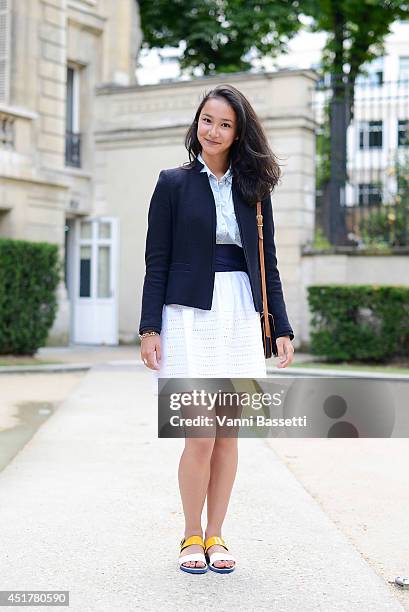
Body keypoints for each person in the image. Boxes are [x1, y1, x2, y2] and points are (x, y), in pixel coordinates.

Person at [139, 83, 295, 574]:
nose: (214, 131)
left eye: (225, 124)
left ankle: (217, 535)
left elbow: (266, 261)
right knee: (199, 435)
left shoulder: (253, 189)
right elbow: (156, 259)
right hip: (187, 315)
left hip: (240, 313)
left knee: (228, 435)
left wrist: (281, 327)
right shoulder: (172, 182)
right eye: (207, 120)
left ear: (238, 133)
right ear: (197, 122)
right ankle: (190, 535)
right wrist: (149, 327)